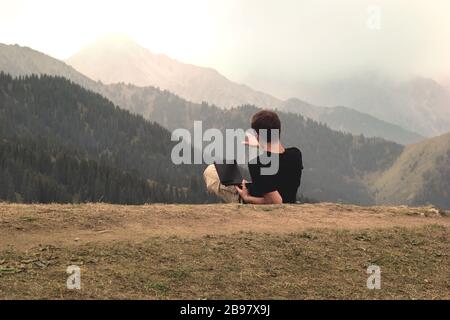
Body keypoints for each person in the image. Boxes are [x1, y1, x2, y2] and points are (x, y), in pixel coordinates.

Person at [203, 110, 303, 204]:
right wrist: (261, 143)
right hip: (289, 199)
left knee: (210, 171)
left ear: (258, 135)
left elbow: (276, 201)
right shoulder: (295, 154)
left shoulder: (257, 164)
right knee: (238, 180)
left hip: (259, 202)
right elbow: (277, 156)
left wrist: (247, 197)